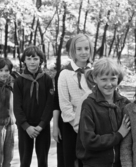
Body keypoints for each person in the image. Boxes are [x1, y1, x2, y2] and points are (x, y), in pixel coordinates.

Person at [76, 58, 131, 167]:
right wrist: (119, 135)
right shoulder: (89, 104)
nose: (109, 84)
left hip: (119, 164)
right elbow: (89, 141)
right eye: (104, 79)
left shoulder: (124, 103)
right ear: (95, 78)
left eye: (113, 79)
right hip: (94, 163)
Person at [13, 45, 54, 167]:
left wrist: (42, 125)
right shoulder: (19, 81)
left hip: (43, 126)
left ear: (41, 60)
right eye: (29, 58)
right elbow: (17, 106)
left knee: (43, 160)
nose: (32, 62)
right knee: (25, 160)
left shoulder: (47, 79)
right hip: (25, 126)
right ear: (24, 60)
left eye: (35, 58)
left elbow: (50, 104)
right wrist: (26, 126)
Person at [58, 34, 93, 167]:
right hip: (72, 125)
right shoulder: (65, 74)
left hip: (93, 125)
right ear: (73, 51)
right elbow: (65, 104)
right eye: (79, 49)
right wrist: (77, 124)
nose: (83, 52)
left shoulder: (95, 71)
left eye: (86, 48)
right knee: (73, 161)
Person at [53, 37, 72, 167]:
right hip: (66, 123)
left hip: (88, 122)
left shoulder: (94, 73)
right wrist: (55, 126)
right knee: (66, 160)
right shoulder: (62, 74)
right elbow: (56, 101)